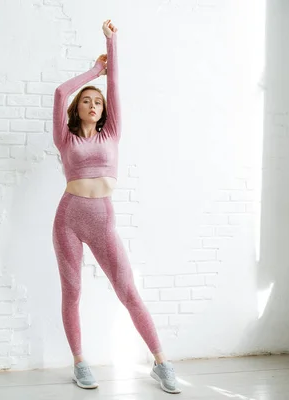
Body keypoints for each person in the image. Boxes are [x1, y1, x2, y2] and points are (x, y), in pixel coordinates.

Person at [51, 19, 181, 394]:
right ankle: (79, 362)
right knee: (72, 291)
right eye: (87, 101)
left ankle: (161, 362)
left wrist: (112, 43)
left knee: (128, 291)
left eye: (99, 102)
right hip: (69, 219)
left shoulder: (112, 132)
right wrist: (94, 69)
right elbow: (61, 93)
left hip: (102, 220)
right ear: (79, 109)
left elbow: (115, 86)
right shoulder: (64, 138)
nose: (94, 104)